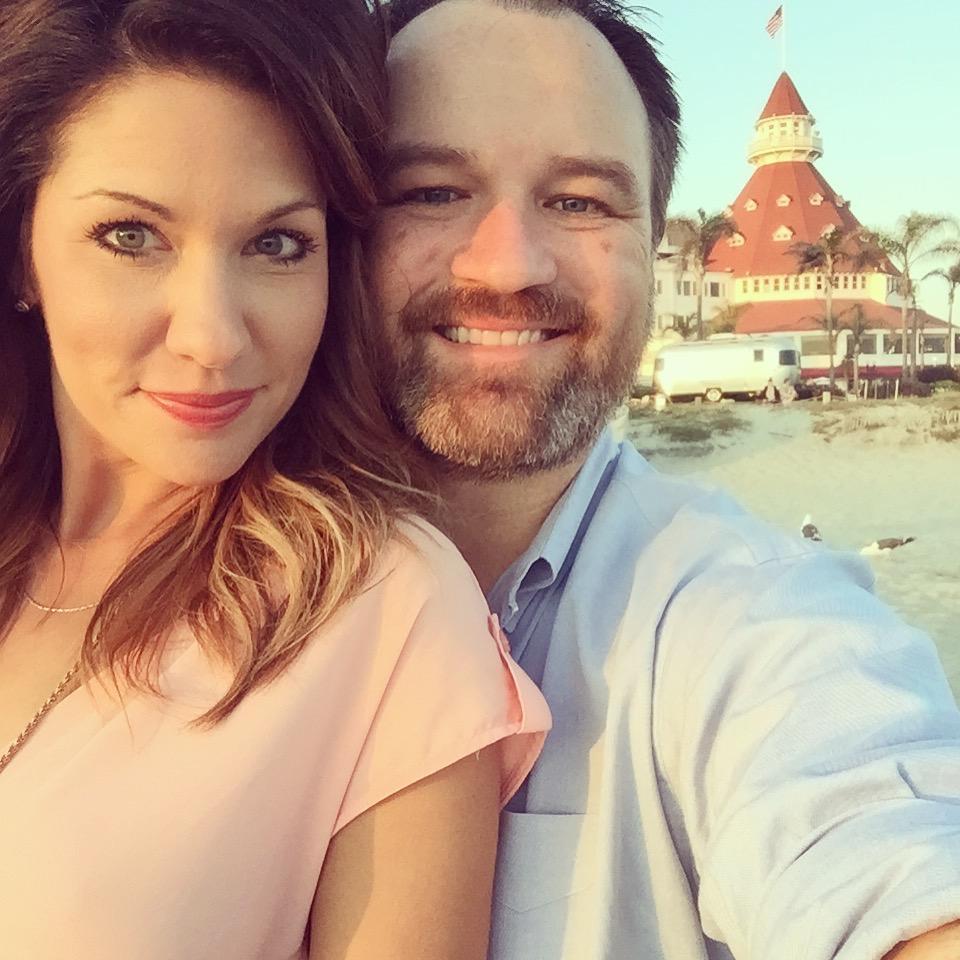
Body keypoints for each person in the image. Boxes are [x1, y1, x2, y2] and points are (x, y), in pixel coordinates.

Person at [373, 1, 960, 957]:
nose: (510, 265)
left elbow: (873, 840)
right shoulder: (208, 576)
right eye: (432, 190)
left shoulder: (743, 618)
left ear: (655, 251)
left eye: (580, 201)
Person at [0, 1, 550, 957]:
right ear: (23, 251)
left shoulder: (382, 613)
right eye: (132, 236)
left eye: (278, 244)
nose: (213, 336)